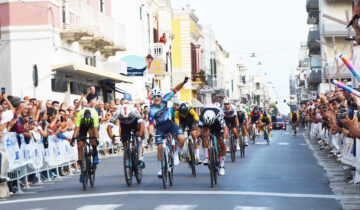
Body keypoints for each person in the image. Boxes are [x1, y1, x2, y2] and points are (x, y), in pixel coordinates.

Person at [148, 77, 188, 178]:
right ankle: (161, 169)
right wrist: (150, 134)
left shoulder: (165, 99)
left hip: (170, 123)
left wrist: (183, 82)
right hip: (160, 127)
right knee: (160, 148)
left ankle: (176, 154)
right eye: (154, 96)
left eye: (158, 96)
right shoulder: (151, 110)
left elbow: (176, 89)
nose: (156, 98)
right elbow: (151, 124)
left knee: (182, 138)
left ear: (161, 96)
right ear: (152, 98)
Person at [72, 107, 100, 183]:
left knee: (92, 135)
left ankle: (95, 154)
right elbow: (77, 129)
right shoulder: (79, 115)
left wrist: (96, 139)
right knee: (80, 146)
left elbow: (95, 130)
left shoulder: (94, 115)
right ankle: (82, 171)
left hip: (92, 126)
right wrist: (73, 139)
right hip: (82, 126)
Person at [199, 104, 228, 176]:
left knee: (221, 144)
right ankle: (206, 157)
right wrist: (197, 138)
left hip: (217, 124)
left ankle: (222, 166)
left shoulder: (219, 115)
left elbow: (225, 128)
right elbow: (199, 128)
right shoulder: (202, 114)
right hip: (207, 123)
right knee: (204, 135)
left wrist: (224, 139)